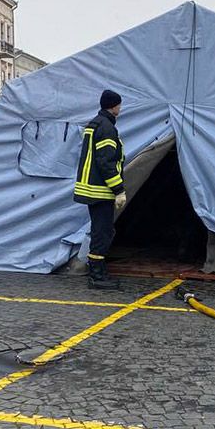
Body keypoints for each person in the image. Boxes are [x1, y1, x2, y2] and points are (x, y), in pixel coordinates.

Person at [74, 89, 127, 290]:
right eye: (119, 105)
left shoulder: (95, 123)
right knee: (102, 232)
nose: (120, 108)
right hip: (100, 190)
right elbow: (106, 162)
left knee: (101, 231)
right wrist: (118, 189)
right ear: (113, 106)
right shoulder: (106, 127)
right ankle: (97, 275)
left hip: (92, 189)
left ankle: (100, 270)